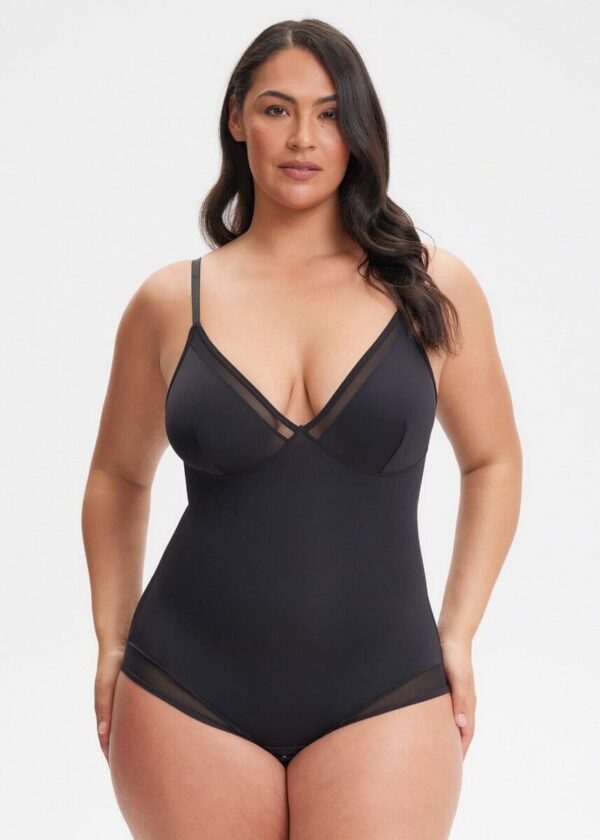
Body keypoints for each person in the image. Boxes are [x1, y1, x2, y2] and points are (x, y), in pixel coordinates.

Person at [82, 18, 522, 840]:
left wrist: (459, 634)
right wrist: (111, 639)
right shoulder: (171, 302)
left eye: (329, 113)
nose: (303, 139)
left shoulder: (430, 289)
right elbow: (118, 476)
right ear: (236, 118)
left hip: (388, 690)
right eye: (277, 109)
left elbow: (493, 460)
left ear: (358, 128)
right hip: (184, 690)